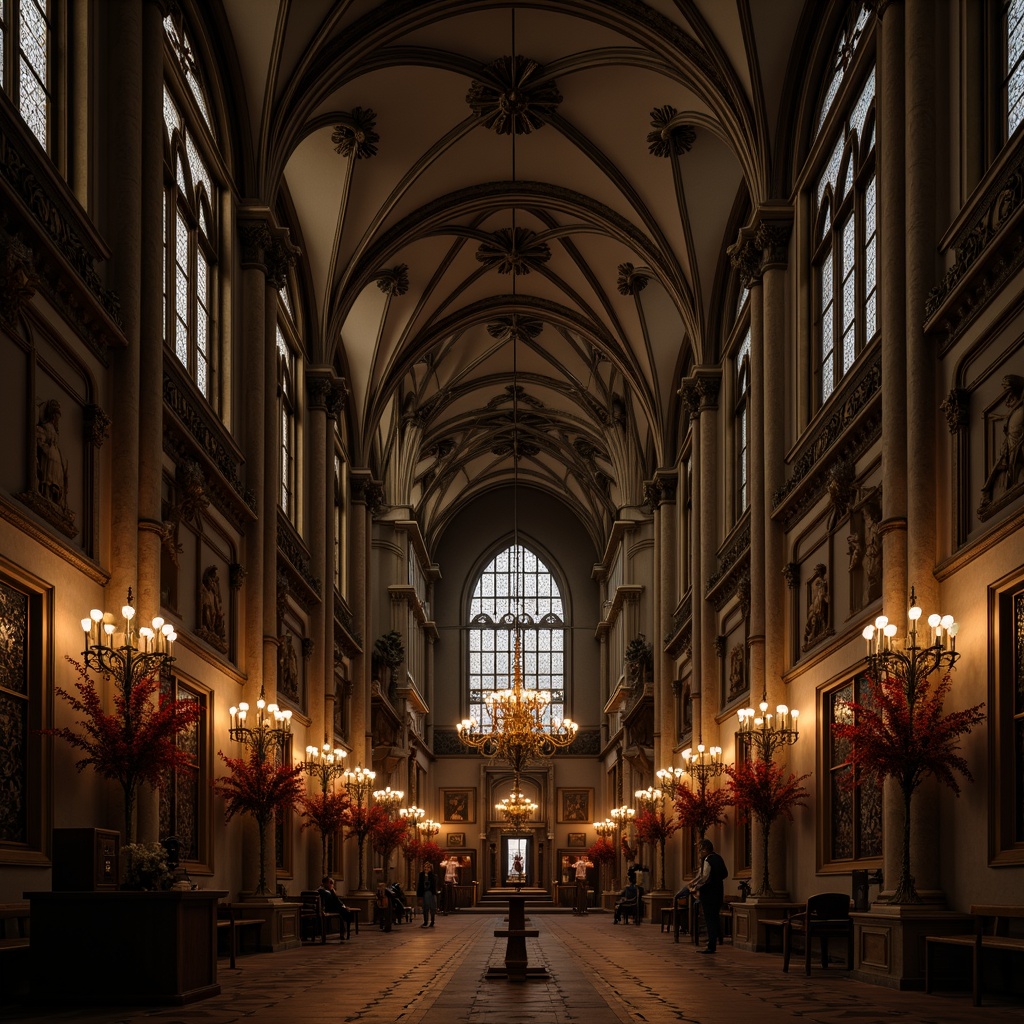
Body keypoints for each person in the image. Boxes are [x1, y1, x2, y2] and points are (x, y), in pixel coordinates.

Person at [692, 838, 728, 954]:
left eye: (700, 849)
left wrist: (696, 887)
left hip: (708, 894)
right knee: (715, 918)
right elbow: (725, 874)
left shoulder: (707, 860)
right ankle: (715, 941)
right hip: (718, 893)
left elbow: (704, 877)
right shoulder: (719, 858)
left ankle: (711, 946)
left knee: (710, 920)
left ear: (705, 849)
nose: (700, 852)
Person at [316, 875, 354, 939]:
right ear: (325, 883)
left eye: (332, 883)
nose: (332, 885)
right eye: (330, 883)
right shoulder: (323, 891)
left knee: (343, 911)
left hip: (331, 907)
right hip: (326, 909)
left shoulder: (327, 891)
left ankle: (344, 930)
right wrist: (333, 892)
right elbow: (334, 901)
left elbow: (336, 901)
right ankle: (345, 928)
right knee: (344, 911)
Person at [416, 861, 438, 927]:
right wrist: (419, 895)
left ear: (430, 868)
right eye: (425, 867)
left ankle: (432, 921)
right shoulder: (421, 875)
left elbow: (434, 884)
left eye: (428, 867)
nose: (426, 869)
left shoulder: (433, 875)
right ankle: (425, 921)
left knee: (432, 908)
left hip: (431, 893)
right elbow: (419, 885)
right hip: (424, 893)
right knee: (425, 908)